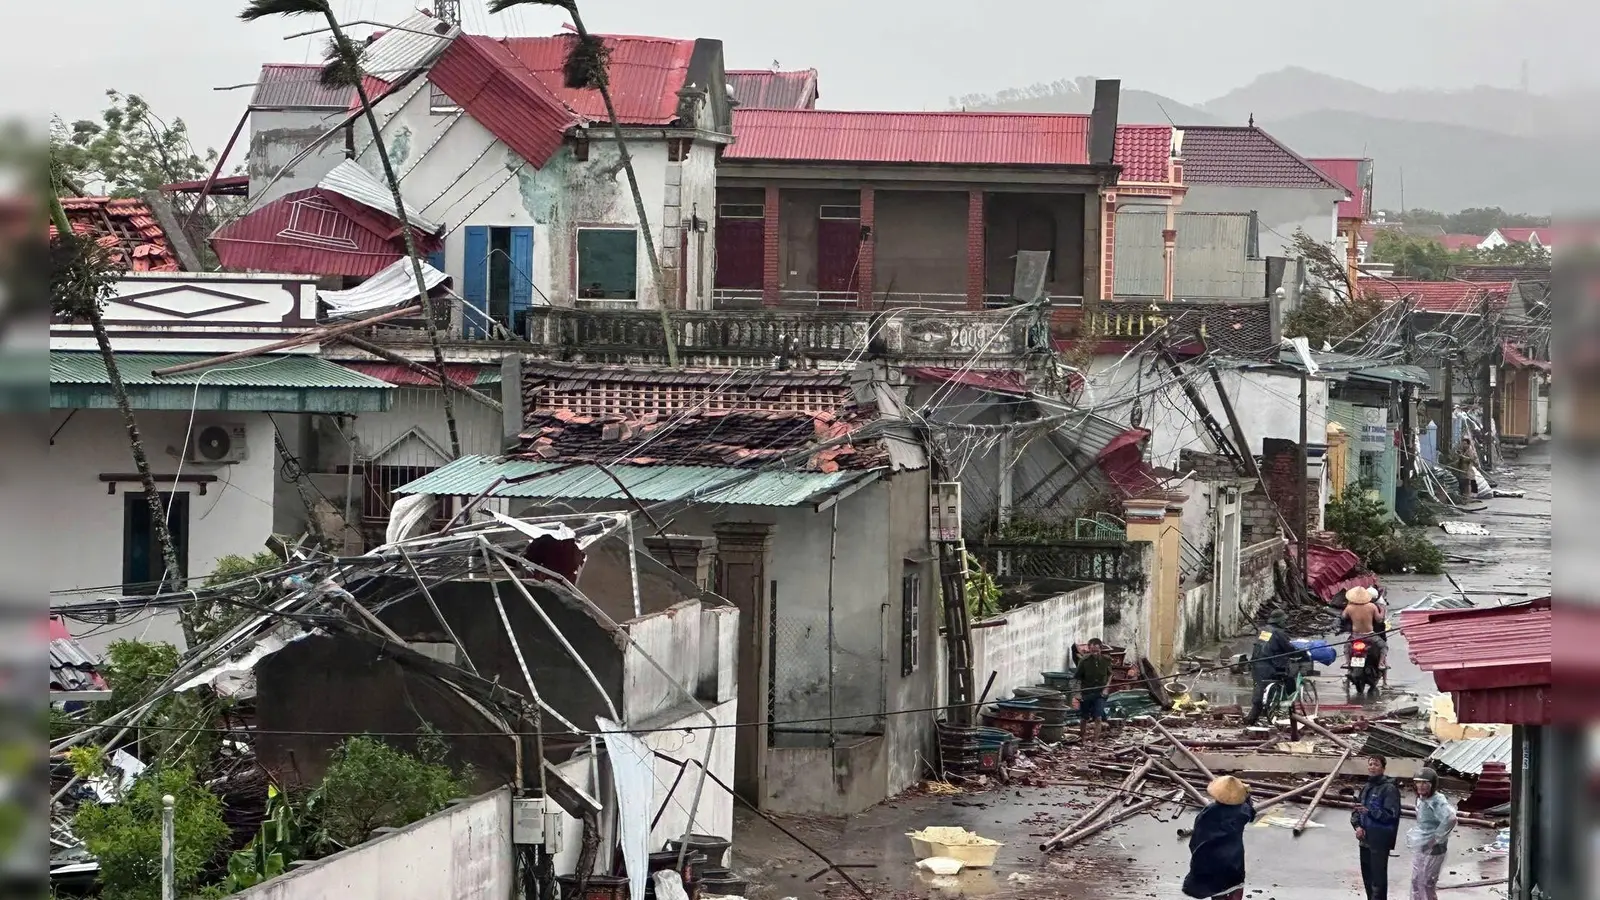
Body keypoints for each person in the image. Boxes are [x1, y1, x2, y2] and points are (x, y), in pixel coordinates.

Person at [1182, 775, 1257, 900]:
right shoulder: (1242, 811)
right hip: (1233, 862)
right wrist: (1247, 797)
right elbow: (1251, 813)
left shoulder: (1207, 812)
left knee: (1217, 892)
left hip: (1210, 862)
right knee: (1234, 889)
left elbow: (1196, 839)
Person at [1353, 754, 1402, 900]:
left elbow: (1391, 816)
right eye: (1370, 764)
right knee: (1367, 878)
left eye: (1376, 765)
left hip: (1379, 841)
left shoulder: (1389, 789)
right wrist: (1357, 827)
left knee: (1378, 880)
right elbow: (1356, 810)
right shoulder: (1367, 787)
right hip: (1365, 840)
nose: (1372, 767)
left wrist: (1370, 812)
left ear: (1383, 768)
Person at [1242, 611, 1304, 726]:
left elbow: (1264, 645)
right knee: (1290, 677)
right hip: (1271, 665)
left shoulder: (1263, 630)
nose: (1285, 622)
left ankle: (1256, 716)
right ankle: (1287, 706)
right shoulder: (1279, 633)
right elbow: (1289, 648)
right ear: (1280, 621)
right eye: (1284, 620)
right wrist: (1299, 653)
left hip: (1256, 664)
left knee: (1259, 690)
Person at [1408, 768, 1457, 900]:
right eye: (1418, 782)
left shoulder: (1437, 800)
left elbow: (1450, 819)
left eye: (1425, 783)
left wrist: (1435, 839)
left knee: (1426, 884)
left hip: (1434, 848)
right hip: (1421, 845)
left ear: (1432, 784)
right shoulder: (1421, 799)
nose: (1421, 786)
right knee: (1416, 881)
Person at [1075, 638, 1113, 745]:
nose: (1095, 653)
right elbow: (1077, 677)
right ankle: (1082, 740)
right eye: (1092, 651)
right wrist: (1078, 693)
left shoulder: (1106, 660)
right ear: (1089, 649)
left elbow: (1110, 674)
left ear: (1101, 649)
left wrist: (1106, 688)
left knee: (1098, 717)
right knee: (1084, 717)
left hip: (1100, 693)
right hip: (1086, 692)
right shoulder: (1084, 661)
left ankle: (1095, 742)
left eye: (1097, 651)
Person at [1342, 586, 1388, 670]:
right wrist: (1383, 610)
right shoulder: (1372, 606)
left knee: (1347, 646)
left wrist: (1349, 605)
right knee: (1383, 646)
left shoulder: (1349, 608)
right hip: (1370, 636)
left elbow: (1343, 617)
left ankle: (1347, 662)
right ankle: (1381, 663)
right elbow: (1379, 620)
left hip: (1355, 636)